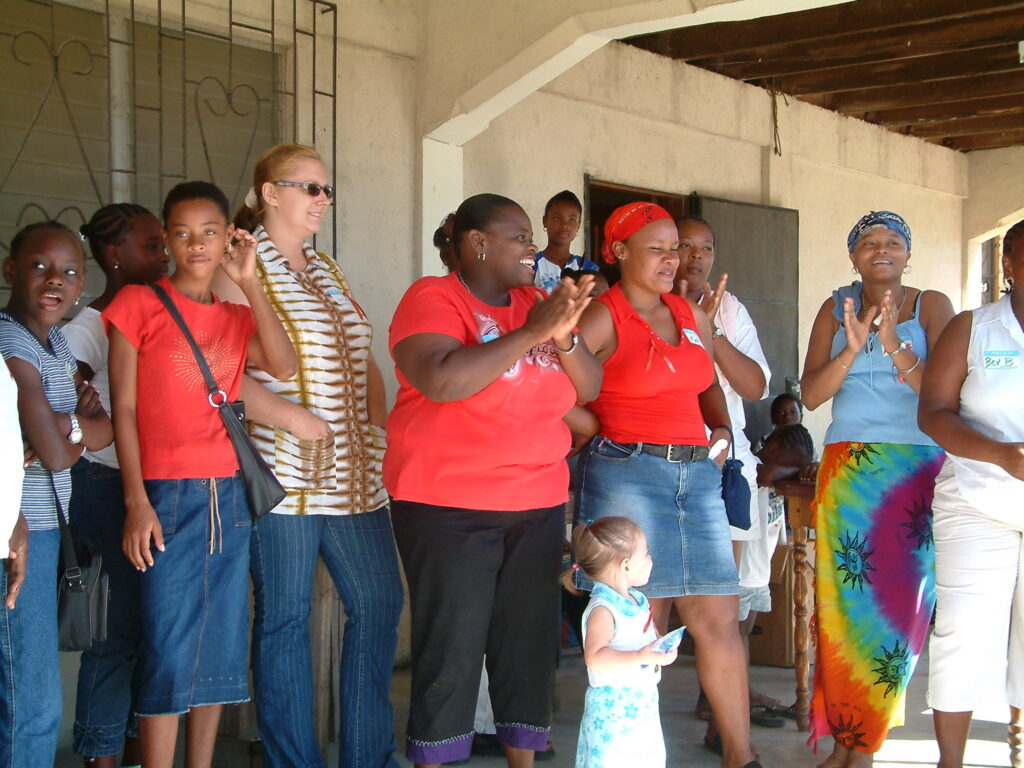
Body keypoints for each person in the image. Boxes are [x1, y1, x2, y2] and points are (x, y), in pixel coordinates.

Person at [386, 192, 601, 768]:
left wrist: (562, 334)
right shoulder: (433, 297)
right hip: (448, 505)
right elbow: (441, 380)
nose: (533, 249)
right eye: (521, 237)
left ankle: (522, 761)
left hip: (537, 502)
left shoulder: (538, 303)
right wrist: (532, 332)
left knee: (527, 646)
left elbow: (589, 386)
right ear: (478, 243)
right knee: (452, 649)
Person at [219, 143, 404, 768]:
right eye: (310, 188)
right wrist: (290, 415)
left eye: (327, 190)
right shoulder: (238, 263)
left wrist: (378, 427)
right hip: (283, 475)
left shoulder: (327, 268)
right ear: (270, 193)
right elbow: (218, 370)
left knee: (379, 603)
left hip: (355, 476)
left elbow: (361, 354)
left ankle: (367, 756)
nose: (323, 200)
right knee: (285, 620)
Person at [104, 181, 296, 768]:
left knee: (220, 643)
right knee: (167, 642)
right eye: (183, 233)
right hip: (164, 493)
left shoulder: (236, 316)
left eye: (209, 232)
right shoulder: (137, 305)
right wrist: (137, 502)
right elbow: (124, 408)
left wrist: (250, 282)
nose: (196, 245)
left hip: (228, 495)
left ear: (227, 239)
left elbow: (283, 365)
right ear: (166, 239)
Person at [576, 201, 761, 768]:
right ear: (619, 252)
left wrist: (721, 427)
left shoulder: (687, 312)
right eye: (655, 248)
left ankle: (742, 757)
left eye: (674, 249)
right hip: (628, 473)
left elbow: (707, 384)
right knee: (638, 627)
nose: (671, 259)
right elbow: (559, 391)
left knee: (718, 621)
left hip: (697, 477)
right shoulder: (602, 315)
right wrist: (597, 432)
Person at [800, 210, 954, 768]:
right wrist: (852, 347)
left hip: (913, 476)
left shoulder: (931, 306)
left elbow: (944, 392)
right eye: (869, 242)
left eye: (893, 242)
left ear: (908, 254)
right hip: (849, 471)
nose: (881, 250)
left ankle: (865, 746)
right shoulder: (833, 308)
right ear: (853, 255)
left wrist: (891, 343)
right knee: (844, 612)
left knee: (897, 611)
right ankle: (843, 739)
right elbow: (811, 395)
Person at [0, 220, 113, 766]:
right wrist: (71, 430)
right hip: (20, 531)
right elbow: (58, 454)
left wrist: (64, 424)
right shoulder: (10, 342)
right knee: (34, 701)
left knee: (28, 690)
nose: (55, 280)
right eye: (40, 266)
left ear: (82, 282)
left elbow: (104, 430)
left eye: (69, 271)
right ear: (10, 270)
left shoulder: (57, 342)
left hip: (46, 528)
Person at [918, 218, 1024, 768]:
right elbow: (933, 413)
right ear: (1009, 264)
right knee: (963, 632)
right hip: (976, 497)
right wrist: (1002, 454)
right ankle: (950, 762)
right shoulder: (973, 328)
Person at [69, 203, 168, 768]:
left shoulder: (159, 312)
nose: (164, 255)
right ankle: (101, 755)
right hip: (105, 484)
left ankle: (135, 752)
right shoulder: (90, 325)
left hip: (148, 484)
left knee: (148, 631)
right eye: (151, 246)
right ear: (113, 255)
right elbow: (65, 403)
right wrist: (87, 418)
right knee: (114, 630)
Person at [564, 517, 677, 768]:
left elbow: (643, 637)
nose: (650, 559)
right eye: (645, 554)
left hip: (642, 705)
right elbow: (595, 656)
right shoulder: (603, 609)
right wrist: (641, 656)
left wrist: (660, 648)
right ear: (625, 565)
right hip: (613, 712)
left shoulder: (636, 600)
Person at [532, 191, 599, 293]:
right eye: (557, 218)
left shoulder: (589, 268)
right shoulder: (532, 264)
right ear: (544, 221)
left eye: (572, 220)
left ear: (578, 225)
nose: (564, 225)